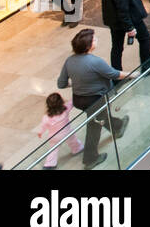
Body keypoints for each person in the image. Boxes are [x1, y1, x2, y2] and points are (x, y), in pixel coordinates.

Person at [56, 29, 130, 169]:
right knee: (94, 127)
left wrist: (78, 81)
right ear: (89, 46)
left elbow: (61, 83)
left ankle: (118, 126)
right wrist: (132, 74)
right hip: (95, 100)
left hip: (79, 99)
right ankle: (90, 159)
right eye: (94, 39)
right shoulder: (95, 61)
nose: (96, 40)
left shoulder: (69, 60)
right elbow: (114, 74)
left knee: (98, 117)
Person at [36, 91, 85, 169]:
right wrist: (77, 91)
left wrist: (40, 133)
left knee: (53, 150)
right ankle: (77, 149)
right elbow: (72, 102)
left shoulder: (46, 117)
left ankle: (50, 164)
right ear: (61, 101)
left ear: (48, 105)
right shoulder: (65, 109)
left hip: (54, 137)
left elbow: (43, 126)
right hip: (67, 133)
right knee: (73, 141)